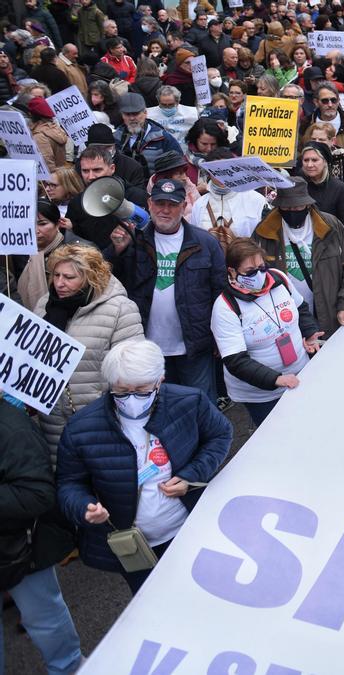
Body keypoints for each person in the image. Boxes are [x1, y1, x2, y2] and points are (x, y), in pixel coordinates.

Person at [55, 338, 232, 593]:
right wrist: (84, 508)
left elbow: (220, 434)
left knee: (210, 593)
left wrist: (191, 475)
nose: (132, 399)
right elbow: (69, 484)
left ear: (160, 380)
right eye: (122, 391)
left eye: (142, 390)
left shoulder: (189, 402)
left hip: (190, 528)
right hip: (134, 547)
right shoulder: (81, 428)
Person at [106, 178, 225, 403]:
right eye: (160, 203)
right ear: (149, 205)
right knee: (159, 406)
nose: (165, 210)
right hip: (147, 346)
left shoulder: (205, 243)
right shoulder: (134, 240)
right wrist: (116, 251)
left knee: (200, 405)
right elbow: (108, 281)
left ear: (183, 206)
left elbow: (220, 293)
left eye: (172, 204)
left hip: (195, 346)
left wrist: (220, 338)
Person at [0, 393, 83, 675]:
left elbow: (38, 494)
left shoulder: (12, 428)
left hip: (20, 546)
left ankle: (70, 669)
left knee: (43, 618)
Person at [35, 242, 142, 457]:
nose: (59, 284)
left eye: (69, 277)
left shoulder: (120, 309)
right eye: (56, 275)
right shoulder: (45, 304)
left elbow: (132, 371)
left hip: (100, 420)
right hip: (51, 420)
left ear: (90, 277)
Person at [212, 239, 322, 427]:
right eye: (250, 271)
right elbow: (236, 361)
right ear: (232, 272)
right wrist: (276, 379)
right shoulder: (224, 307)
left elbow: (300, 307)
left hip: (300, 374)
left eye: (261, 267)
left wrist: (310, 334)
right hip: (261, 395)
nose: (259, 275)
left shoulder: (278, 278)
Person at [249, 177, 344, 337]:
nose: (293, 211)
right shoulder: (264, 231)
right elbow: (251, 277)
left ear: (307, 203)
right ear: (279, 206)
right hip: (283, 321)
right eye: (287, 207)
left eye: (298, 206)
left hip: (329, 315)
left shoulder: (330, 226)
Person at [67, 145, 149, 251]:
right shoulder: (77, 203)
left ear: (112, 169)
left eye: (97, 170)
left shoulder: (137, 196)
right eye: (85, 171)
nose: (91, 176)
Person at [113, 92, 184, 178]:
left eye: (135, 113)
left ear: (145, 113)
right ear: (122, 115)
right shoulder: (115, 138)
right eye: (127, 114)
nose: (131, 118)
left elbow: (179, 167)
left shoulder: (162, 138)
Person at [298, 141, 344, 238]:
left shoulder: (338, 188)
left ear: (325, 162)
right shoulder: (297, 185)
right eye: (306, 160)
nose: (309, 165)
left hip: (330, 243)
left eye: (314, 160)